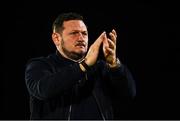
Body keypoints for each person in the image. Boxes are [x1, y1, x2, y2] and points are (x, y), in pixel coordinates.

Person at [25, 12, 136, 120]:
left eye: (84, 33)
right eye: (74, 33)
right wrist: (84, 65)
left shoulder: (100, 68)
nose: (81, 38)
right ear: (56, 38)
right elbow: (44, 90)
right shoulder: (40, 65)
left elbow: (129, 93)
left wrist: (114, 65)